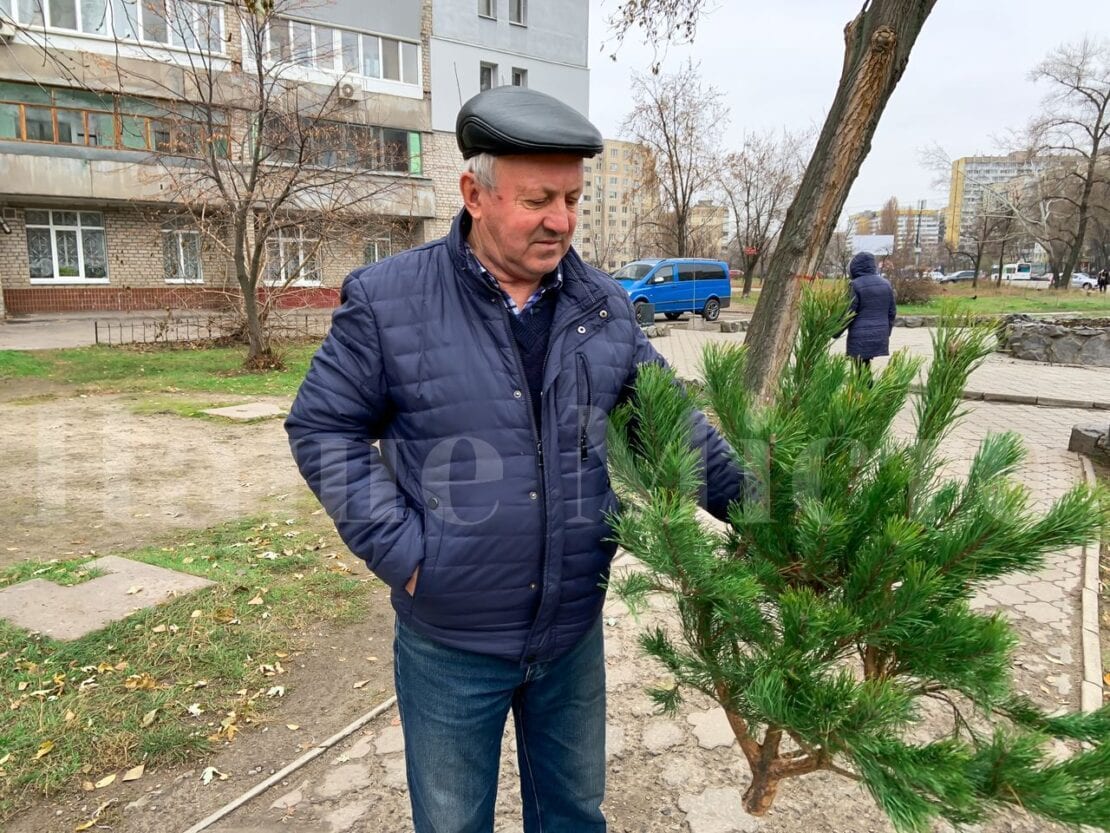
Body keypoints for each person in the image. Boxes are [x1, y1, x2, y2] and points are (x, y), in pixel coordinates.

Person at [285, 86, 746, 833]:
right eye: (539, 199)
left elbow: (673, 429)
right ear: (474, 193)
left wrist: (767, 513)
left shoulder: (600, 304)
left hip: (570, 633)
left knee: (572, 814)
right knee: (453, 821)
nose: (562, 220)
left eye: (571, 198)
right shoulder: (388, 299)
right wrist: (406, 555)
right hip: (450, 638)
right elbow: (323, 428)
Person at [843, 251, 897, 372]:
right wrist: (886, 332)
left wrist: (834, 331)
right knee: (864, 367)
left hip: (860, 336)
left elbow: (849, 313)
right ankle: (867, 389)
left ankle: (865, 390)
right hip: (880, 334)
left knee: (861, 372)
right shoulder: (886, 284)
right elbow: (892, 312)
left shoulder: (855, 285)